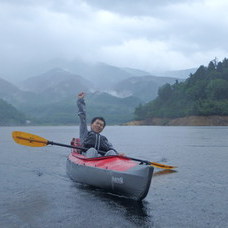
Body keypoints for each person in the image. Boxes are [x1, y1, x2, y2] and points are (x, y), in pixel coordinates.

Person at [77, 92, 118, 158]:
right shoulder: (85, 133)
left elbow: (112, 149)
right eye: (97, 123)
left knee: (112, 152)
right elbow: (82, 116)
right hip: (88, 157)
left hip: (102, 160)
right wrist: (80, 100)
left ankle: (114, 166)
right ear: (91, 124)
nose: (99, 126)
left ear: (102, 128)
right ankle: (90, 167)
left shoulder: (104, 139)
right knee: (92, 150)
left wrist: (119, 155)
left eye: (101, 125)